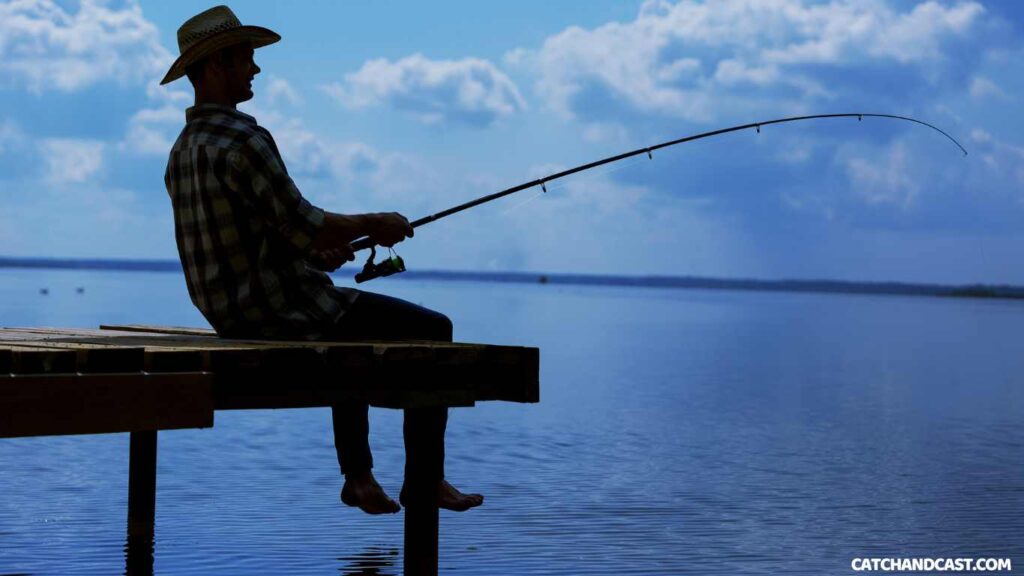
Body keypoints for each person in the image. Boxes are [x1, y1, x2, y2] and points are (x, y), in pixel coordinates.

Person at [160, 5, 482, 514]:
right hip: (278, 308)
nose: (256, 69)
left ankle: (359, 477)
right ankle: (424, 481)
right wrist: (375, 222)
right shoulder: (244, 138)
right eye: (246, 58)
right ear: (217, 64)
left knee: (343, 329)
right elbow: (304, 217)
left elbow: (273, 232)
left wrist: (313, 254)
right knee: (435, 330)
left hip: (228, 314)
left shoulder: (182, 150)